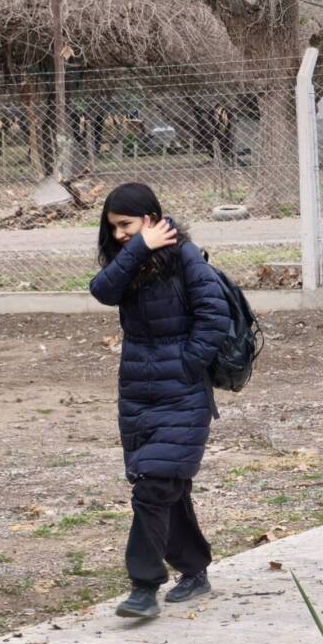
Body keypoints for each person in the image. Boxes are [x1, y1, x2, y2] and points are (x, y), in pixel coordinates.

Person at [90, 183, 231, 619]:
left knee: (155, 486)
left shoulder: (186, 257)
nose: (117, 236)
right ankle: (194, 569)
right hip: (138, 390)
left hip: (182, 392)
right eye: (112, 228)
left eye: (126, 226)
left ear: (151, 218)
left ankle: (143, 586)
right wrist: (136, 248)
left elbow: (215, 314)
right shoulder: (126, 261)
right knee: (165, 486)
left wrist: (189, 365)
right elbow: (102, 290)